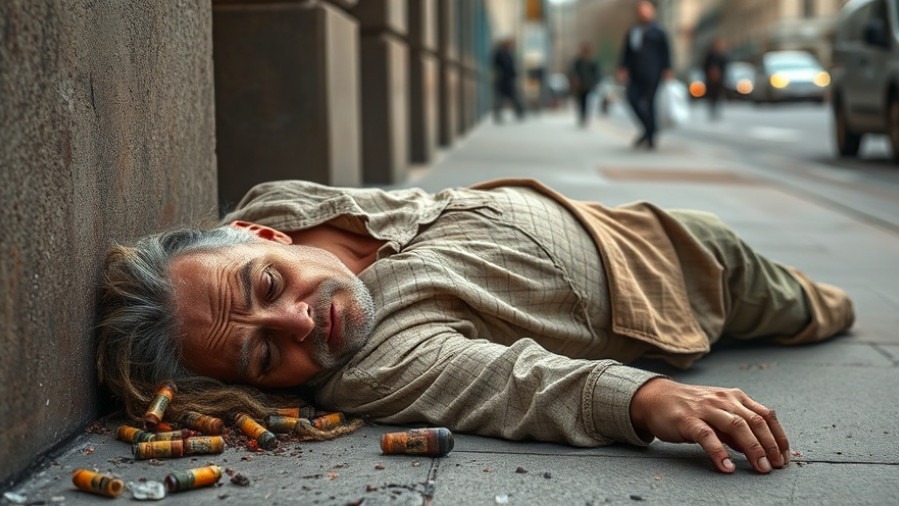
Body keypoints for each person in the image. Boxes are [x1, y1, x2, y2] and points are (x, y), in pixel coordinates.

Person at [96, 178, 854, 475]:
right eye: (264, 354)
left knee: (824, 294)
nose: (298, 320)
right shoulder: (374, 360)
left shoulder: (286, 204)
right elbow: (514, 384)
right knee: (821, 313)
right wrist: (646, 399)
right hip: (689, 284)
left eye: (266, 286)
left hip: (630, 215)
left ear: (261, 236)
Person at [617, 0, 672, 149]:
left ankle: (650, 137)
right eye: (641, 10)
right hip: (635, 73)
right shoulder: (633, 31)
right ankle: (649, 130)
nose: (644, 12)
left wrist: (667, 69)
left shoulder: (659, 31)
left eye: (646, 9)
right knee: (632, 99)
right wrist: (623, 68)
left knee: (650, 104)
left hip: (653, 73)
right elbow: (626, 52)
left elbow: (666, 52)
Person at [570, 43, 602, 127]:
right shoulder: (578, 61)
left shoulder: (592, 62)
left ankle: (585, 118)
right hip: (579, 86)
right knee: (580, 102)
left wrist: (595, 82)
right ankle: (581, 117)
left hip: (588, 85)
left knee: (587, 102)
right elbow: (573, 72)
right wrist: (575, 81)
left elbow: (597, 74)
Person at [492, 38, 524, 123]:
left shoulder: (509, 54)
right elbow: (497, 66)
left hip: (509, 79)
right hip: (503, 79)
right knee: (502, 98)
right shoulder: (500, 53)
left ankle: (519, 113)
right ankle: (499, 115)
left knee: (511, 97)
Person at [703, 38, 729, 120]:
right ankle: (712, 110)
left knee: (718, 95)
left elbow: (725, 66)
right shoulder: (710, 55)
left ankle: (717, 111)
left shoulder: (722, 55)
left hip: (719, 79)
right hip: (710, 79)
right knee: (711, 96)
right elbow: (705, 66)